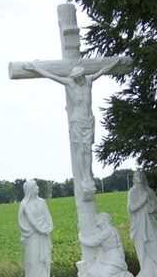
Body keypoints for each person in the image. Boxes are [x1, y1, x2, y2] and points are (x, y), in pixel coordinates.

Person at [23, 60, 123, 197]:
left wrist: (116, 62)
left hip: (89, 120)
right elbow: (51, 76)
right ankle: (83, 177)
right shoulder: (70, 83)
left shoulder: (89, 80)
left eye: (81, 77)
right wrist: (35, 68)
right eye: (77, 78)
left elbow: (104, 70)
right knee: (81, 149)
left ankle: (88, 175)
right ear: (74, 78)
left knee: (88, 149)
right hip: (77, 121)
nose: (80, 79)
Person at [67, 212, 135, 277]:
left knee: (104, 276)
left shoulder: (107, 231)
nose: (96, 220)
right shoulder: (108, 230)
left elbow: (93, 242)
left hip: (113, 258)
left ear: (104, 220)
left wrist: (80, 236)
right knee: (92, 273)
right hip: (105, 257)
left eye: (99, 218)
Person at [127, 171, 157, 277]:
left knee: (156, 243)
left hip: (150, 222)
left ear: (144, 178)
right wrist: (143, 201)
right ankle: (145, 270)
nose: (138, 178)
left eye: (140, 175)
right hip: (139, 224)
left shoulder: (150, 191)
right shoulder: (132, 192)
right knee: (141, 245)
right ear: (134, 179)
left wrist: (150, 203)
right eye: (136, 176)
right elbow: (131, 208)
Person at [18, 180, 53, 277]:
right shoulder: (25, 205)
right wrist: (42, 230)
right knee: (32, 262)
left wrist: (49, 227)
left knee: (44, 262)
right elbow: (32, 220)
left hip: (44, 236)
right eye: (36, 185)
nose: (38, 187)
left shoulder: (42, 202)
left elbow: (48, 217)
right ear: (31, 189)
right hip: (32, 237)